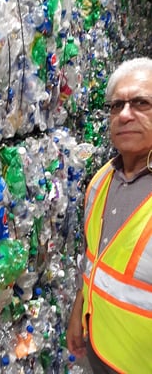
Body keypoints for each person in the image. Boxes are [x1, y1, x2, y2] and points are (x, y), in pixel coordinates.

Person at [66, 57, 152, 374]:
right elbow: (94, 257)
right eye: (117, 106)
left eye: (140, 103)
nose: (125, 114)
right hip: (99, 350)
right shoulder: (101, 180)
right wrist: (79, 312)